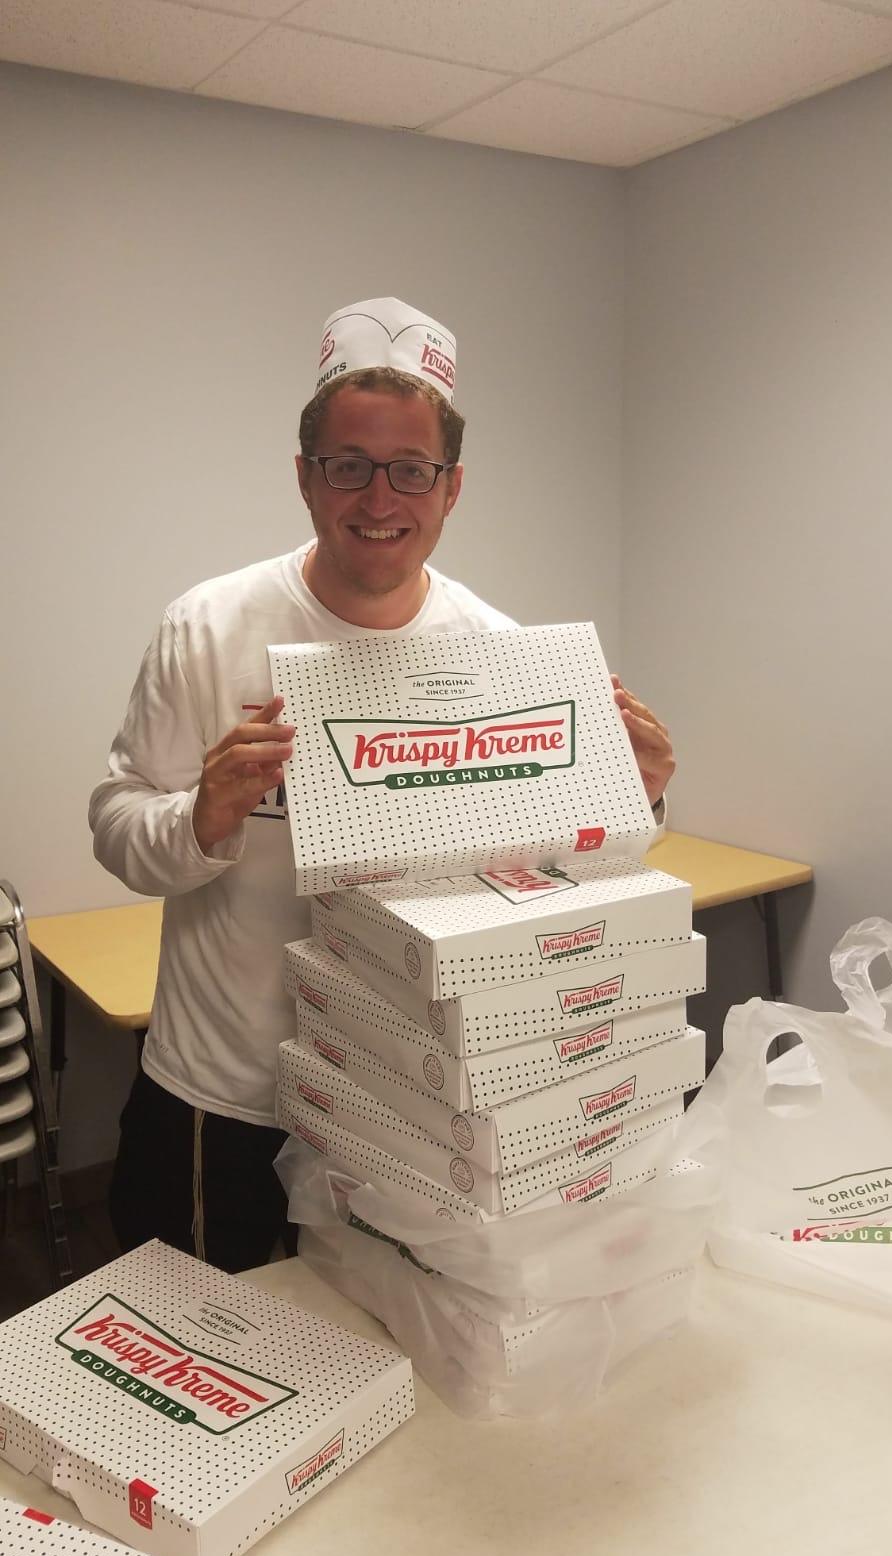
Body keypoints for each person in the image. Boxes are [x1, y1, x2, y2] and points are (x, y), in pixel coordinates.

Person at [89, 296, 675, 1273]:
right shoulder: (209, 628)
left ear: (450, 489)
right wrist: (201, 817)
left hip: (402, 1098)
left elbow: (546, 880)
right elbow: (117, 827)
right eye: (348, 464)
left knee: (378, 1346)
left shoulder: (495, 649)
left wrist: (634, 799)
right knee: (207, 1334)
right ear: (305, 476)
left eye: (411, 468)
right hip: (223, 1094)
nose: (378, 498)